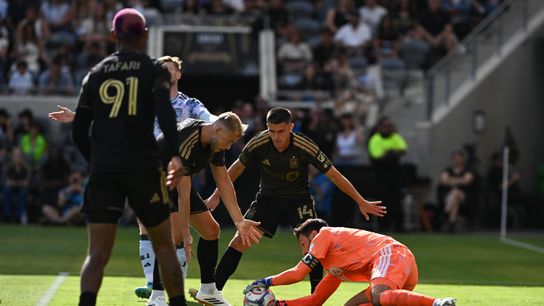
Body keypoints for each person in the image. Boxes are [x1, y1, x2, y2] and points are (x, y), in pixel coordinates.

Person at [48, 55, 220, 302]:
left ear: (178, 74)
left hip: (178, 171)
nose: (166, 72)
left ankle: (198, 287)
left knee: (209, 229)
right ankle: (155, 284)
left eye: (170, 68)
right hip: (148, 168)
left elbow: (210, 119)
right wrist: (78, 116)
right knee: (154, 226)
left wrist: (225, 124)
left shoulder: (189, 105)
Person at [204, 107, 386, 297]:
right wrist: (217, 194)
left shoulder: (304, 145)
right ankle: (212, 292)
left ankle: (316, 297)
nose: (276, 137)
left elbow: (333, 174)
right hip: (268, 199)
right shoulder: (259, 142)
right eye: (272, 131)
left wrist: (360, 200)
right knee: (239, 240)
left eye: (281, 131)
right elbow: (237, 167)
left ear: (291, 127)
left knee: (314, 246)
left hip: (298, 199)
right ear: (267, 127)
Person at [71, 8, 186, 306]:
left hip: (105, 169)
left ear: (113, 36)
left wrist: (96, 161)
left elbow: (79, 129)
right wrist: (174, 155)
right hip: (143, 167)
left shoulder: (94, 75)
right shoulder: (154, 70)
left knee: (96, 255)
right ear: (145, 35)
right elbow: (165, 115)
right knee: (165, 248)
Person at [156, 113, 262, 306]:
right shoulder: (186, 142)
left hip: (176, 184)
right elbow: (183, 194)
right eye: (228, 141)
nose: (229, 147)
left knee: (211, 230)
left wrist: (240, 222)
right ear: (217, 129)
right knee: (176, 235)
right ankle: (156, 298)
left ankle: (208, 291)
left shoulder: (215, 143)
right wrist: (187, 235)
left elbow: (224, 182)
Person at [245, 218, 456, 306]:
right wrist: (279, 304)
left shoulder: (323, 235)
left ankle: (437, 303)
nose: (304, 251)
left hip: (391, 254)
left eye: (303, 243)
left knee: (378, 294)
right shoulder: (334, 265)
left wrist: (265, 281)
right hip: (399, 270)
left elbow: (299, 273)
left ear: (314, 234)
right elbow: (316, 300)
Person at [368, 116, 407, 232]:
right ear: (379, 127)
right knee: (382, 201)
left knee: (396, 200)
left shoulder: (395, 137)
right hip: (380, 176)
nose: (387, 128)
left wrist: (388, 153)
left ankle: (398, 226)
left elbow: (403, 149)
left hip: (395, 175)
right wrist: (392, 153)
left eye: (389, 126)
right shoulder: (375, 139)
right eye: (385, 126)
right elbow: (378, 157)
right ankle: (383, 226)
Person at [439, 150, 474, 232]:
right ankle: (452, 222)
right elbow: (444, 181)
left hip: (463, 195)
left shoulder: (468, 170)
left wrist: (451, 180)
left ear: (462, 159)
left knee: (456, 193)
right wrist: (460, 180)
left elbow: (467, 181)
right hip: (449, 196)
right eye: (455, 158)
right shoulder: (448, 170)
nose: (457, 160)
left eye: (459, 158)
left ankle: (446, 211)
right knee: (454, 196)